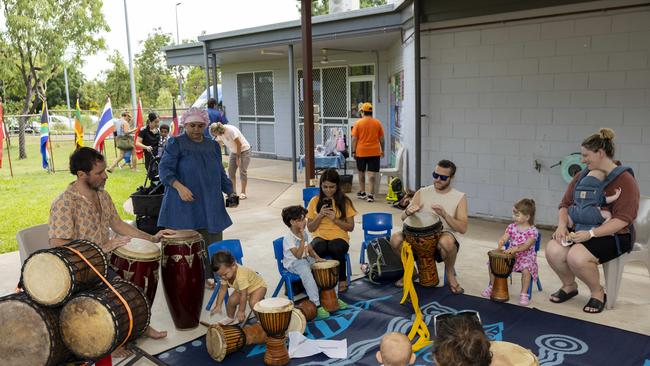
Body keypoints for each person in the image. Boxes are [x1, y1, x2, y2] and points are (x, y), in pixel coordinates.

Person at [48, 147, 170, 354]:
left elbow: (117, 224)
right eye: (99, 173)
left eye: (105, 170)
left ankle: (139, 327)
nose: (106, 176)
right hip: (78, 269)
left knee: (133, 289)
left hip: (103, 262)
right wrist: (102, 248)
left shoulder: (102, 195)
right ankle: (108, 341)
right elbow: (58, 245)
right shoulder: (64, 203)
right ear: (81, 174)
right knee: (114, 294)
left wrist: (152, 238)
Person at [546, 128, 639, 313]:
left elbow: (622, 220)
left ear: (601, 153)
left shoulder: (625, 180)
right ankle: (569, 286)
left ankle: (598, 293)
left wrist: (591, 234)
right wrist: (562, 226)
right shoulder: (582, 175)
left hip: (615, 234)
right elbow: (565, 204)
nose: (582, 160)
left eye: (585, 155)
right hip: (581, 230)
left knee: (576, 257)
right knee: (553, 250)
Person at [157, 107, 238, 286]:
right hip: (184, 204)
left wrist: (230, 191)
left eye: (200, 126)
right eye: (192, 125)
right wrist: (179, 187)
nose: (196, 129)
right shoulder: (175, 143)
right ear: (185, 124)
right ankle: (187, 279)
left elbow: (220, 173)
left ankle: (214, 276)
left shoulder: (212, 145)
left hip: (210, 203)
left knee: (212, 243)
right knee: (186, 247)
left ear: (206, 126)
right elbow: (164, 170)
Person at [389, 160, 467, 294]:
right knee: (395, 239)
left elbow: (463, 228)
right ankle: (411, 271)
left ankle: (449, 274)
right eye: (435, 175)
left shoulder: (460, 197)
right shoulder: (422, 192)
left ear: (451, 178)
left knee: (447, 242)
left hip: (443, 235)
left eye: (443, 177)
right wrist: (408, 212)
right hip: (416, 235)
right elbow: (403, 217)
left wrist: (445, 215)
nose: (437, 180)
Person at [306, 168, 357, 293]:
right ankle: (319, 279)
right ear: (321, 185)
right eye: (325, 187)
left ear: (337, 186)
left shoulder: (345, 201)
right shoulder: (314, 201)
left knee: (336, 247)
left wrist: (335, 220)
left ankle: (342, 279)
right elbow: (310, 228)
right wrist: (320, 215)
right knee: (318, 247)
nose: (328, 190)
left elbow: (351, 227)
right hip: (320, 236)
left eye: (332, 187)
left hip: (339, 237)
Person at [481, 198, 539, 306]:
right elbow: (505, 237)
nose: (514, 217)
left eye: (517, 215)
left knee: (527, 270)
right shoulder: (512, 227)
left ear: (527, 217)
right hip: (510, 256)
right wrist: (502, 241)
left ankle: (524, 293)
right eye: (514, 214)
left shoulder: (533, 231)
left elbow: (526, 246)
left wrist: (516, 249)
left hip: (526, 257)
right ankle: (492, 286)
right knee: (491, 263)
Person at [281, 205, 331, 319]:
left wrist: (318, 258)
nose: (304, 222)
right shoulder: (288, 238)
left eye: (304, 219)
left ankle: (332, 297)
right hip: (293, 263)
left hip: (305, 258)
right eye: (301, 220)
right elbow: (298, 256)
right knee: (307, 273)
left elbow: (310, 249)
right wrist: (303, 239)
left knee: (324, 267)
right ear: (292, 222)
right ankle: (316, 304)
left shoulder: (304, 233)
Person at [210, 251, 267, 325]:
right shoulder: (224, 275)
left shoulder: (241, 275)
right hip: (242, 289)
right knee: (231, 300)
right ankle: (230, 317)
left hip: (258, 287)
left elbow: (244, 295)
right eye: (220, 276)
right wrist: (218, 305)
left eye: (225, 274)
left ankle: (261, 321)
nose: (223, 277)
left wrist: (241, 311)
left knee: (253, 302)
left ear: (233, 265)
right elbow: (222, 289)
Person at [351, 102, 384, 202]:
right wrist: (382, 149)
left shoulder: (358, 123)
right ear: (371, 112)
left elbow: (354, 139)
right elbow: (382, 139)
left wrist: (353, 151)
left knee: (361, 172)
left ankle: (362, 192)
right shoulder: (377, 123)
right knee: (372, 174)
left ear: (362, 112)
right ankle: (371, 194)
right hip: (374, 152)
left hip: (361, 152)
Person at [210, 122, 252, 200]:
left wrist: (238, 157)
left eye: (215, 134)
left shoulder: (230, 130)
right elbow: (218, 143)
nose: (215, 136)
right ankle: (233, 193)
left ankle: (243, 193)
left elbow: (239, 144)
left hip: (244, 150)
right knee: (231, 172)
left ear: (218, 130)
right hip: (234, 151)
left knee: (242, 171)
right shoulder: (219, 134)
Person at [136, 112, 161, 179]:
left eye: (158, 122)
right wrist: (146, 147)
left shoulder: (158, 130)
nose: (157, 124)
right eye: (155, 122)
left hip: (159, 154)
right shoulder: (143, 130)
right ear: (150, 121)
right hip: (149, 155)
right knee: (152, 175)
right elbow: (137, 143)